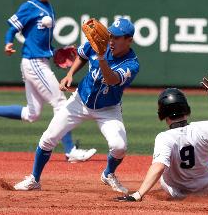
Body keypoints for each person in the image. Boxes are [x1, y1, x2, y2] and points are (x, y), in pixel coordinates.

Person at [0, 0, 96, 162]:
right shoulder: (29, 6)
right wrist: (8, 42)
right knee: (61, 103)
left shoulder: (49, 7)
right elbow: (12, 28)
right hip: (34, 62)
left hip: (39, 60)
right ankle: (70, 150)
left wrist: (55, 51)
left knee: (32, 113)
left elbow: (41, 40)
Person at [13, 18, 140, 193]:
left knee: (119, 146)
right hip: (80, 100)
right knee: (49, 137)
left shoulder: (131, 64)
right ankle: (34, 178)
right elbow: (82, 55)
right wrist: (70, 74)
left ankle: (108, 174)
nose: (111, 40)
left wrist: (101, 57)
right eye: (110, 35)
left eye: (117, 38)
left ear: (129, 40)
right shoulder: (98, 43)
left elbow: (111, 79)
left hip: (108, 109)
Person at [116, 75, 208, 201]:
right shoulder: (203, 129)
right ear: (186, 109)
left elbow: (159, 167)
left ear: (162, 114)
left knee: (163, 168)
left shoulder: (164, 138)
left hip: (178, 194)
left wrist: (138, 194)